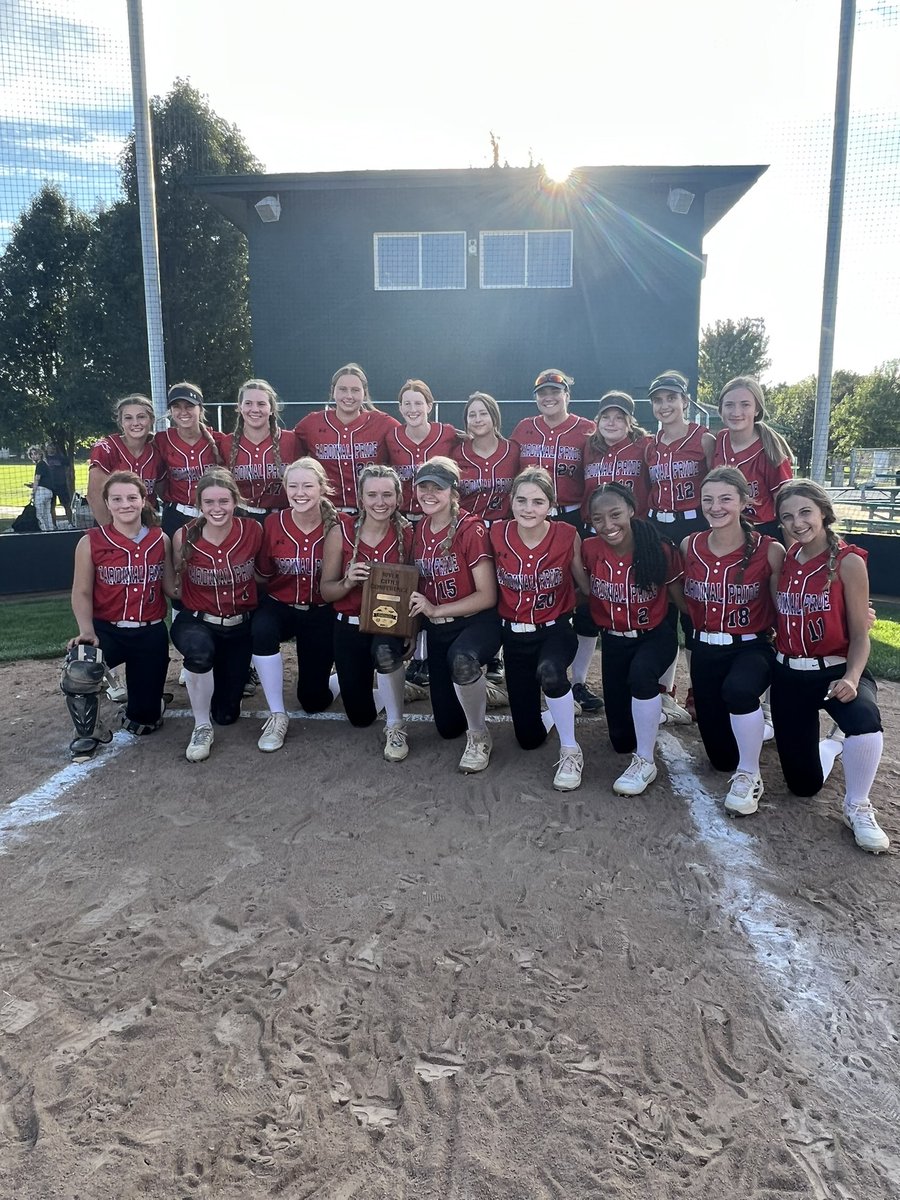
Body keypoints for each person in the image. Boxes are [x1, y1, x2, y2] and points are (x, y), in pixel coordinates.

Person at [771, 480, 889, 853]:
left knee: (864, 720)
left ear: (823, 511)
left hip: (834, 668)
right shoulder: (788, 558)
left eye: (805, 512)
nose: (797, 522)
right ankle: (832, 746)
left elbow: (860, 635)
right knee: (802, 787)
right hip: (790, 674)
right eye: (787, 516)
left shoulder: (849, 561)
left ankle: (857, 805)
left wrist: (852, 678)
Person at [678, 468, 784, 815]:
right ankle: (759, 732)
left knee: (739, 692)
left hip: (751, 646)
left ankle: (750, 774)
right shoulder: (689, 544)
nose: (716, 506)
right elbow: (679, 593)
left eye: (726, 498)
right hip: (706, 649)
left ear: (744, 501)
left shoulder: (769, 550)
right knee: (721, 758)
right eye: (708, 499)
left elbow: (786, 604)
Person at [490, 467, 589, 791]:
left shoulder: (565, 534)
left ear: (551, 504)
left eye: (537, 501)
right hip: (515, 637)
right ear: (511, 501)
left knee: (550, 671)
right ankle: (559, 710)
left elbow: (584, 584)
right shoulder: (497, 533)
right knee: (528, 738)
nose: (528, 509)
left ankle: (571, 750)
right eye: (521, 500)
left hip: (554, 631)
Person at [582, 484, 684, 796]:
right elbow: (580, 592)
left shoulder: (658, 547)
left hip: (654, 636)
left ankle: (645, 761)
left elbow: (680, 600)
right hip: (613, 641)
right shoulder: (588, 549)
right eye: (598, 518)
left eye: (615, 514)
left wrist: (707, 628)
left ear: (630, 510)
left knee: (642, 676)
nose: (608, 525)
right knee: (620, 740)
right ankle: (661, 713)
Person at [64, 471, 172, 761]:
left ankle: (150, 702)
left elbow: (172, 588)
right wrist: (86, 630)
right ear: (107, 504)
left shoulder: (160, 540)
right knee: (81, 666)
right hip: (106, 630)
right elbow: (82, 592)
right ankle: (87, 733)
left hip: (149, 633)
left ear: (143, 501)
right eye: (117, 499)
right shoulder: (91, 541)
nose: (125, 504)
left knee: (144, 722)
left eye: (131, 498)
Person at [511, 369, 601, 713]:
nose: (549, 397)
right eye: (543, 392)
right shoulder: (523, 428)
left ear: (567, 395)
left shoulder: (586, 429)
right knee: (533, 586)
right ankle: (523, 664)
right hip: (531, 514)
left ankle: (576, 680)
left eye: (556, 391)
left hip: (571, 515)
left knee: (581, 595)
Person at [408, 457, 502, 772]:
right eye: (424, 487)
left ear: (453, 492)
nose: (429, 494)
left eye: (438, 487)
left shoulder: (470, 528)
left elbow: (487, 595)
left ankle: (479, 735)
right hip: (438, 631)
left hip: (475, 623)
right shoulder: (418, 528)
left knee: (462, 660)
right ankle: (483, 688)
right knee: (447, 728)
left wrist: (436, 609)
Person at [320, 464, 413, 761]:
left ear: (398, 497)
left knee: (385, 652)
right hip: (349, 624)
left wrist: (412, 629)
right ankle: (391, 686)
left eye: (387, 494)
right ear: (360, 499)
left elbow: (419, 588)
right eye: (372, 495)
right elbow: (326, 591)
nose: (380, 502)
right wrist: (347, 581)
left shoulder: (409, 533)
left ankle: (396, 724)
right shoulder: (341, 531)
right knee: (359, 717)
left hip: (388, 624)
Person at [169, 468, 263, 762]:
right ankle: (200, 725)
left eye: (223, 501)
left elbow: (262, 576)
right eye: (209, 502)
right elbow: (174, 587)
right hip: (198, 621)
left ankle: (217, 699)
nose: (217, 508)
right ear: (199, 504)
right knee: (199, 653)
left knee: (227, 714)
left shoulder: (253, 531)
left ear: (236, 501)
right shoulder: (183, 535)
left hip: (238, 627)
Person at [251, 457, 339, 753]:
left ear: (322, 488)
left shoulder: (339, 524)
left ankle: (341, 679)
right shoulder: (273, 523)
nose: (300, 493)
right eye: (293, 486)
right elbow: (262, 574)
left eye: (307, 486)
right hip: (281, 605)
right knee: (261, 629)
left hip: (320, 612)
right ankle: (277, 714)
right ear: (285, 489)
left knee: (314, 701)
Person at [644, 370, 715, 721]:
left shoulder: (704, 439)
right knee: (663, 610)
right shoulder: (650, 444)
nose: (664, 405)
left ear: (685, 402)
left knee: (693, 611)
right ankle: (664, 690)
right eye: (658, 399)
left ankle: (699, 690)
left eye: (671, 398)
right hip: (660, 525)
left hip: (695, 525)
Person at [293, 363, 401, 512]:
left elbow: (406, 445)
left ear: (364, 393)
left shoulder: (383, 423)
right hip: (327, 513)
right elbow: (287, 448)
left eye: (355, 390)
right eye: (342, 389)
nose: (349, 396)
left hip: (372, 512)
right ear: (333, 391)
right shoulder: (312, 423)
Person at [713, 377, 793, 539]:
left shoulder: (771, 451)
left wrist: (792, 553)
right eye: (729, 405)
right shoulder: (719, 440)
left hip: (762, 532)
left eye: (745, 404)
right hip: (725, 531)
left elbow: (787, 507)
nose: (736, 412)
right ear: (720, 409)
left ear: (757, 409)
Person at [221, 378, 299, 521]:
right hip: (241, 518)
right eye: (248, 403)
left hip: (282, 517)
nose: (255, 409)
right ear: (239, 407)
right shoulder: (226, 443)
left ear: (271, 409)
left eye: (261, 404)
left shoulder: (291, 440)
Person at [155, 382, 225, 538]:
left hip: (214, 515)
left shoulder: (219, 440)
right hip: (177, 515)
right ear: (170, 411)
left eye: (189, 406)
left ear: (200, 408)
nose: (183, 412)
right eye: (177, 407)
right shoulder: (162, 440)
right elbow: (159, 481)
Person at [386, 379, 462, 518]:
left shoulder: (446, 433)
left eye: (418, 403)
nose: (413, 409)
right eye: (407, 404)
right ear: (401, 407)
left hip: (438, 516)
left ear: (429, 406)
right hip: (402, 517)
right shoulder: (392, 437)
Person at [87, 394, 164, 525]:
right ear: (121, 422)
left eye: (141, 417)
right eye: (128, 418)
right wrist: (110, 533)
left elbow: (164, 491)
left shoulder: (158, 449)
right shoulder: (107, 447)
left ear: (151, 420)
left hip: (146, 523)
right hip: (112, 522)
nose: (135, 423)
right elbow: (94, 496)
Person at [582, 391, 651, 523]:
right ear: (598, 420)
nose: (611, 423)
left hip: (633, 530)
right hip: (592, 529)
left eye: (619, 418)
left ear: (629, 422)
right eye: (606, 417)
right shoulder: (588, 447)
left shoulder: (645, 446)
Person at [453, 391, 520, 525]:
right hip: (466, 528)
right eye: (472, 415)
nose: (478, 419)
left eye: (483, 413)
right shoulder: (457, 453)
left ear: (494, 417)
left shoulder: (513, 451)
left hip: (503, 527)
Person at [44, 440, 73, 526]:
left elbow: (68, 464)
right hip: (50, 486)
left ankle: (70, 523)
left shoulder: (60, 457)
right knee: (51, 507)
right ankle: (54, 525)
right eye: (50, 446)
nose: (52, 448)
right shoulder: (45, 459)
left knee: (66, 504)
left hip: (61, 484)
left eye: (53, 446)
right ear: (46, 448)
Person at [26, 445, 55, 531]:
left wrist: (33, 492)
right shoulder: (45, 464)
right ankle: (50, 530)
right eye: (31, 454)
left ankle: (43, 530)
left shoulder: (40, 464)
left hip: (42, 491)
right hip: (49, 491)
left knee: (39, 514)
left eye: (35, 454)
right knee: (47, 513)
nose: (33, 456)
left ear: (40, 454)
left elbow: (37, 478)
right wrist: (33, 485)